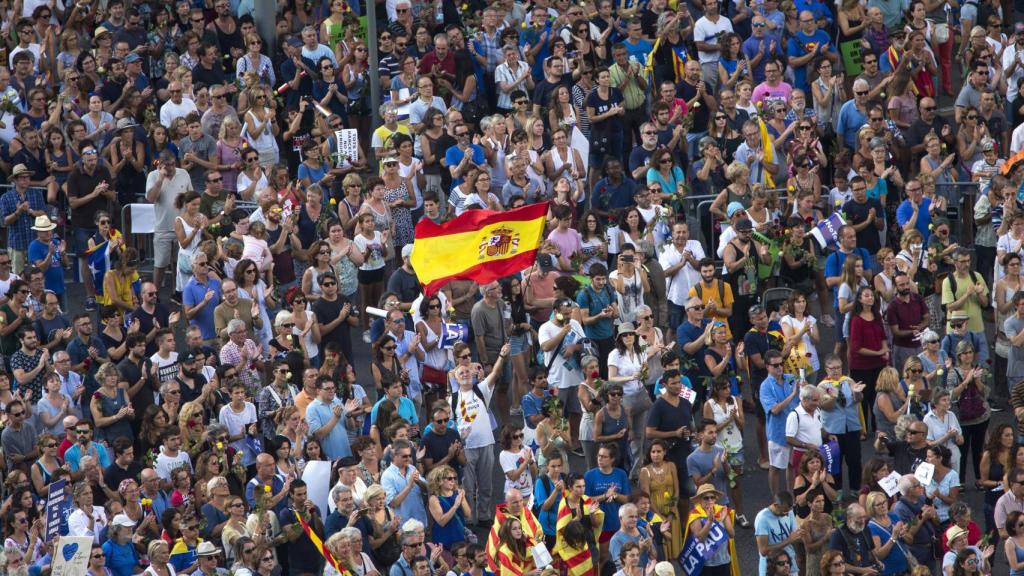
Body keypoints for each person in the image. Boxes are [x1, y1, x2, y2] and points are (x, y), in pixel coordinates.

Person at [755, 491, 802, 576]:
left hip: (789, 564)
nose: (787, 515)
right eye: (784, 512)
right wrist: (789, 540)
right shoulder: (762, 519)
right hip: (771, 568)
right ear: (776, 505)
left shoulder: (789, 511)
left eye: (789, 511)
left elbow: (795, 535)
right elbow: (763, 550)